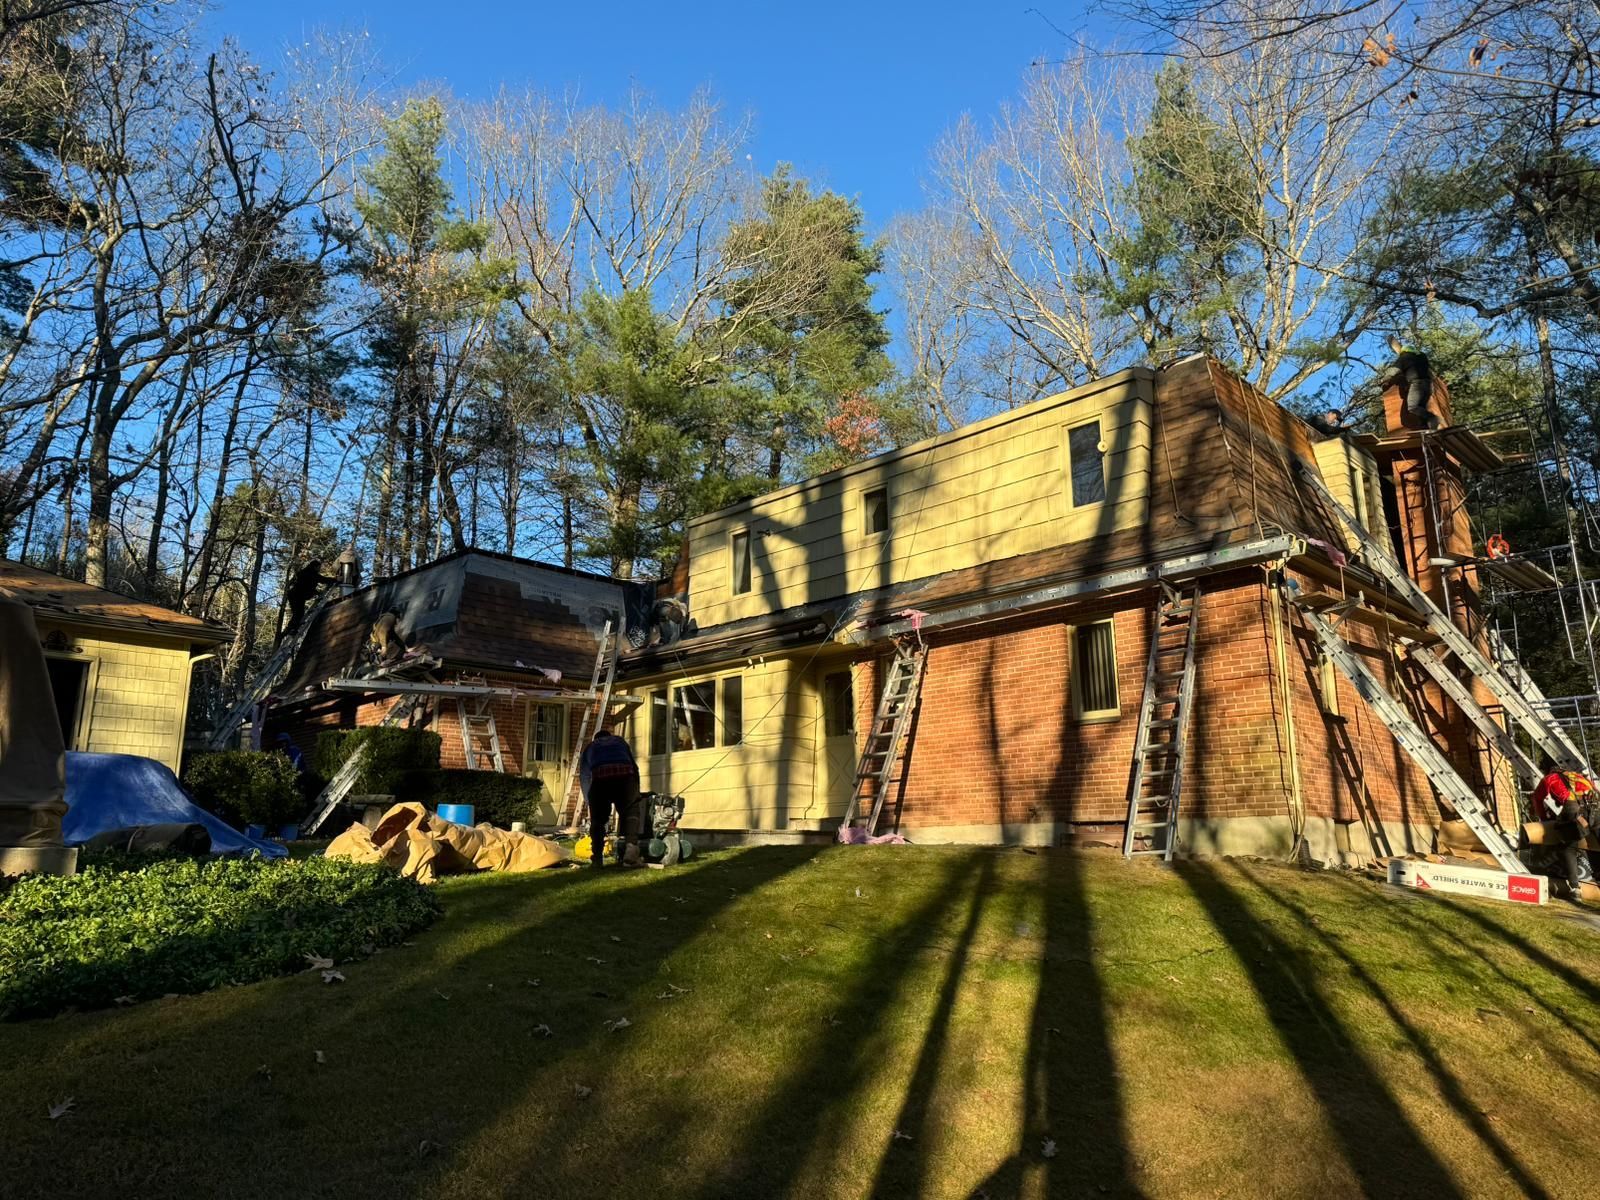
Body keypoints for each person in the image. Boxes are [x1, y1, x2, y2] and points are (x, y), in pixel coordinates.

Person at [1528, 767, 1596, 899]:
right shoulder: (1579, 776)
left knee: (1568, 847)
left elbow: (1537, 799)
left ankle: (1575, 888)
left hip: (1573, 810)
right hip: (1596, 807)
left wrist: (1544, 818)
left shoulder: (1550, 778)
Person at [579, 730, 641, 869]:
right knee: (631, 812)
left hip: (601, 778)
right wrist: (636, 791)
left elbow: (584, 776)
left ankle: (597, 860)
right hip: (625, 776)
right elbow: (634, 767)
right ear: (609, 736)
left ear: (596, 739)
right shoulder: (620, 741)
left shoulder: (590, 747)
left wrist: (590, 802)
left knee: (598, 821)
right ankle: (631, 848)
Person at [1384, 335, 1438, 429]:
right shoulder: (1422, 357)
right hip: (1428, 386)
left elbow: (1394, 370)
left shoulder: (1405, 357)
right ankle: (1426, 427)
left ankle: (1432, 418)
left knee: (1412, 407)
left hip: (1417, 385)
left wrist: (1385, 379)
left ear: (1404, 352)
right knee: (1421, 409)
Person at [281, 559, 336, 639]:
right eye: (318, 567)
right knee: (299, 613)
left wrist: (315, 592)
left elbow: (306, 585)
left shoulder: (305, 572)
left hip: (295, 594)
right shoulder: (312, 573)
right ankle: (291, 630)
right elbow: (323, 580)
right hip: (298, 595)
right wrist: (336, 579)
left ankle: (290, 629)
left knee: (297, 613)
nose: (319, 569)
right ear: (315, 567)